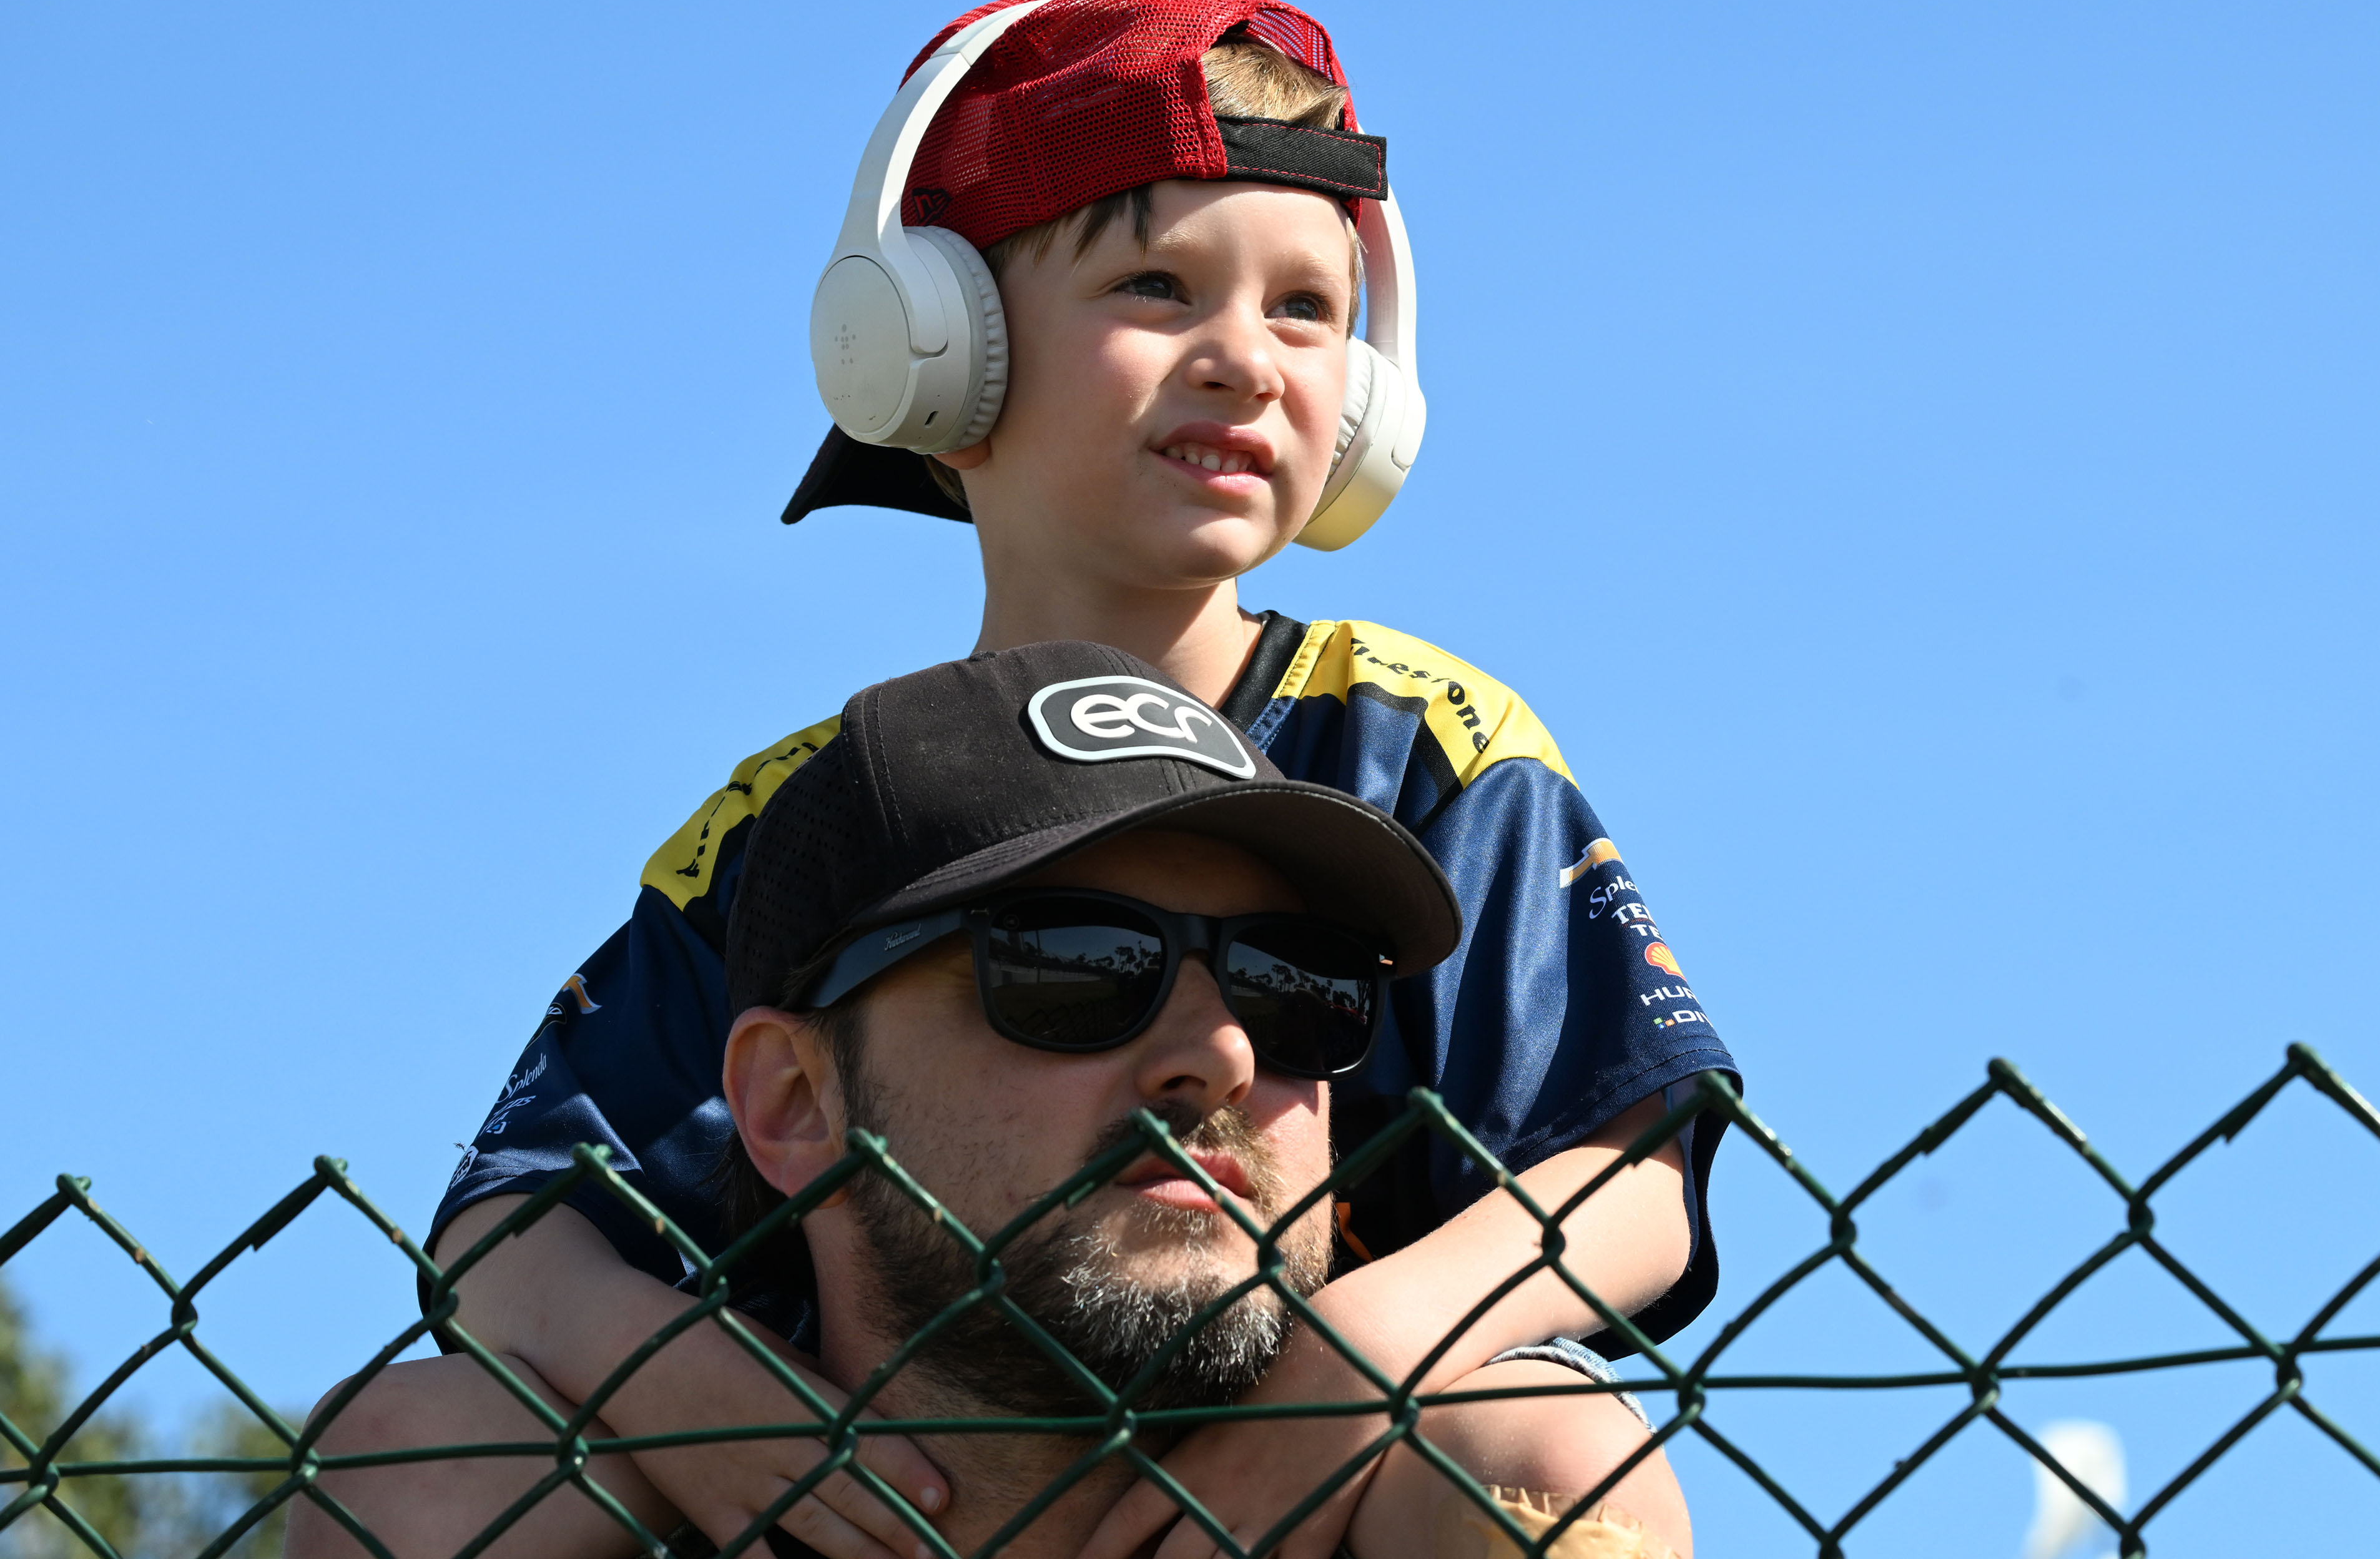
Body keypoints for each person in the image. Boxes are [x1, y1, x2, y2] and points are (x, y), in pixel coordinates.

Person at [403, 0, 1739, 1559]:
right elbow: (508, 1223)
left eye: (1307, 309)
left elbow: (1628, 1172)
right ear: (931, 348)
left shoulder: (1423, 742)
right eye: (1159, 286)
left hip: (1295, 1507)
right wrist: (704, 1402)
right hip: (891, 1507)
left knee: (1542, 1446)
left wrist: (1344, 1377)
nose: (1246, 359)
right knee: (429, 1446)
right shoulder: (813, 809)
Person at [292, 645, 1693, 1559]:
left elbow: (1632, 1182)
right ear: (788, 1099)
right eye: (1075, 965)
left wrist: (1375, 1351)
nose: (1210, 1047)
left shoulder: (1451, 1501)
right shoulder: (583, 1504)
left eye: (1297, 986)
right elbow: (506, 1218)